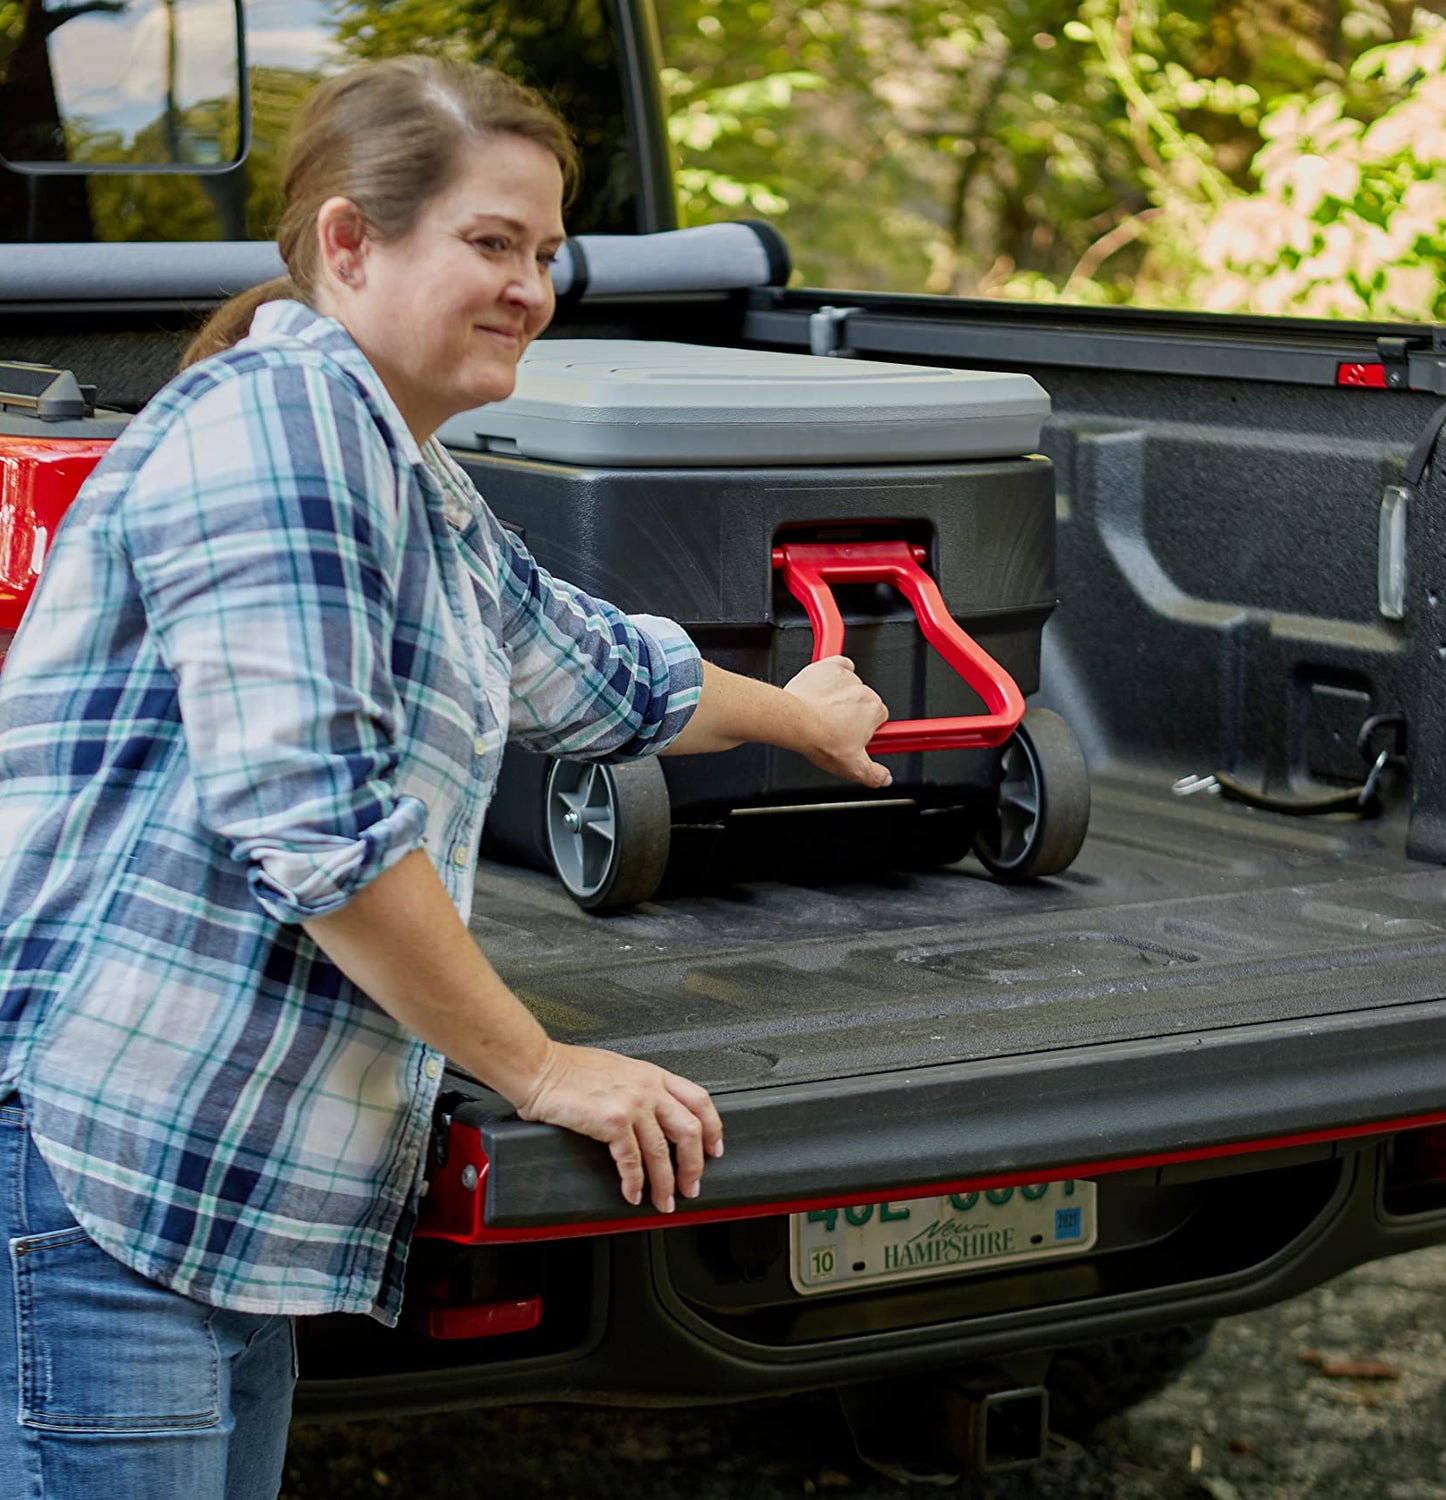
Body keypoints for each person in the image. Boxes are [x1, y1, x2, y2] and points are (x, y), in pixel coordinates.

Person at [0, 56, 890, 1499]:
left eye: (545, 254)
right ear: (349, 243)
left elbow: (590, 668)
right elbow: (323, 832)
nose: (532, 288)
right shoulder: (272, 428)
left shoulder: (402, 467)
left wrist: (796, 716)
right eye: (491, 243)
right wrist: (542, 1069)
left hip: (215, 1192)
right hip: (107, 1176)